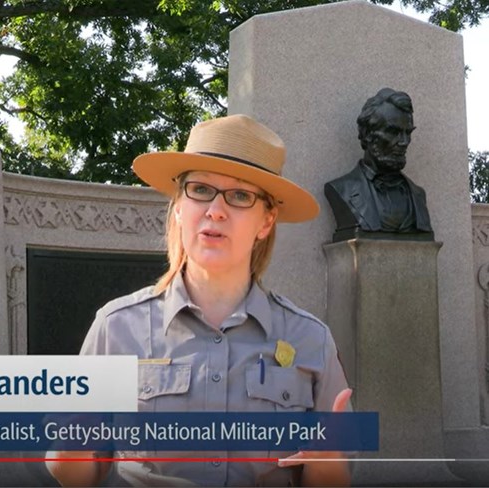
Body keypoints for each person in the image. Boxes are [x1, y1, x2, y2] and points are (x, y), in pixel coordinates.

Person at [46, 114, 352, 487]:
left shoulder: (311, 340)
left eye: (240, 195)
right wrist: (69, 451)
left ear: (267, 221)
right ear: (179, 207)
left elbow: (330, 481)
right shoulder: (116, 327)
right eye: (201, 190)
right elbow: (79, 476)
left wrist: (327, 461)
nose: (216, 210)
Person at [324, 88, 433, 242]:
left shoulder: (418, 195)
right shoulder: (342, 190)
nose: (404, 142)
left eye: (407, 133)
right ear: (368, 134)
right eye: (393, 132)